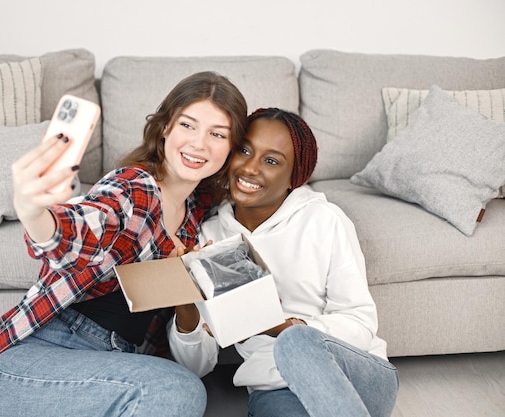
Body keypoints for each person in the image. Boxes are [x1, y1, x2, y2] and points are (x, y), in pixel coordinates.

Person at [0, 71, 248, 417]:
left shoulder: (196, 217)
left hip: (109, 373)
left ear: (232, 149)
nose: (199, 144)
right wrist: (35, 213)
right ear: (165, 128)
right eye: (188, 126)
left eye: (217, 134)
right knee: (176, 389)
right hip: (35, 366)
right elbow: (85, 228)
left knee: (181, 388)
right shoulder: (134, 189)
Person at [169, 108, 399, 417]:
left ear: (295, 177)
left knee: (295, 342)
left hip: (354, 375)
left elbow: (361, 323)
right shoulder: (210, 237)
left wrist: (282, 328)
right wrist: (185, 308)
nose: (250, 168)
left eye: (271, 160)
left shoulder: (325, 220)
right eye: (244, 150)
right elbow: (195, 366)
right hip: (275, 388)